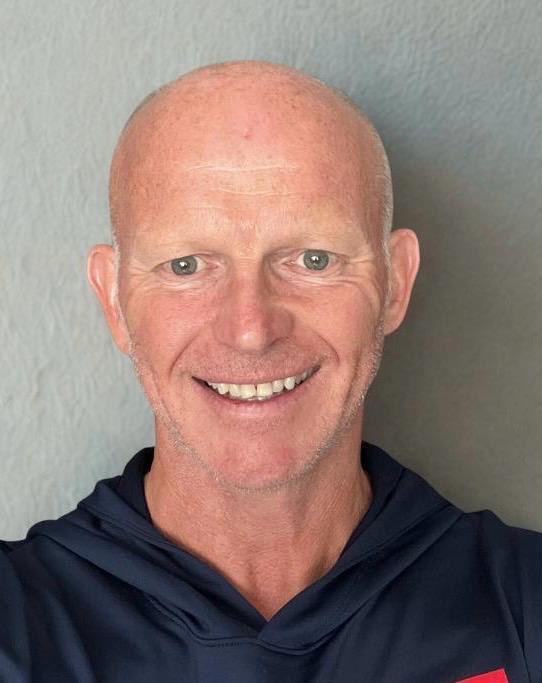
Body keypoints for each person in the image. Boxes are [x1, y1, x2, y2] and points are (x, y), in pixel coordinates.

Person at [0, 60, 540, 683]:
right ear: (115, 301)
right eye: (186, 265)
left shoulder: (526, 606)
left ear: (395, 283)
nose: (251, 329)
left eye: (313, 259)